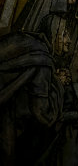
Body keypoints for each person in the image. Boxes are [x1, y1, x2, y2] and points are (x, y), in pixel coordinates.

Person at [0, 29, 67, 164]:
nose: (69, 41)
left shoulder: (25, 39)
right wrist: (59, 84)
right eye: (65, 35)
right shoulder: (43, 61)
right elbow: (43, 114)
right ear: (55, 35)